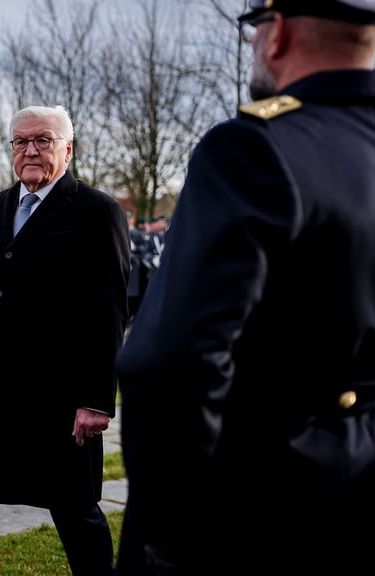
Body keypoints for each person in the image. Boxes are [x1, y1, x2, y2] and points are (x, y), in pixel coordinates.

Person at [114, 2, 375, 575]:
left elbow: (172, 363)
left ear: (277, 32)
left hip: (265, 514)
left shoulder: (255, 147)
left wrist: (171, 538)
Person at [0, 105, 130, 576]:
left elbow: (109, 313)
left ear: (68, 148)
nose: (31, 150)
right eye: (21, 142)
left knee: (76, 514)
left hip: (55, 400)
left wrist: (97, 400)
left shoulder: (99, 212)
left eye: (43, 140)